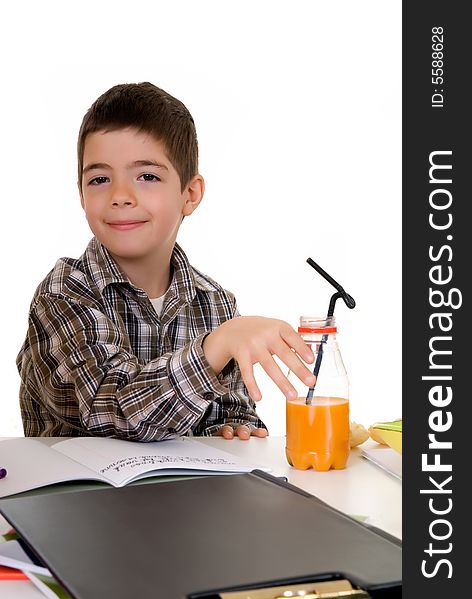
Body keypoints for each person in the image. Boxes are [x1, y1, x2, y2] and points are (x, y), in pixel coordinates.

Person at [16, 82, 316, 442]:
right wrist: (212, 350)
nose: (120, 196)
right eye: (99, 179)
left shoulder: (215, 303)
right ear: (81, 194)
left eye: (147, 177)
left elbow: (228, 410)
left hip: (184, 496)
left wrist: (233, 426)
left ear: (189, 195)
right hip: (80, 496)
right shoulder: (63, 294)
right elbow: (111, 410)